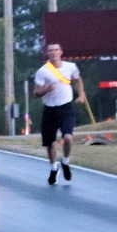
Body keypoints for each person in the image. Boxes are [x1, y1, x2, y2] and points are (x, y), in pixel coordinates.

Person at [33, 43, 87, 184]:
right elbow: (36, 93)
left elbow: (77, 79)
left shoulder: (70, 67)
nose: (54, 52)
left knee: (68, 137)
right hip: (50, 108)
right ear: (47, 53)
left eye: (56, 50)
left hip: (66, 107)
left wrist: (81, 95)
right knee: (50, 143)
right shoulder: (43, 71)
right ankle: (53, 167)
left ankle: (65, 161)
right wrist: (47, 89)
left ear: (61, 52)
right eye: (51, 50)